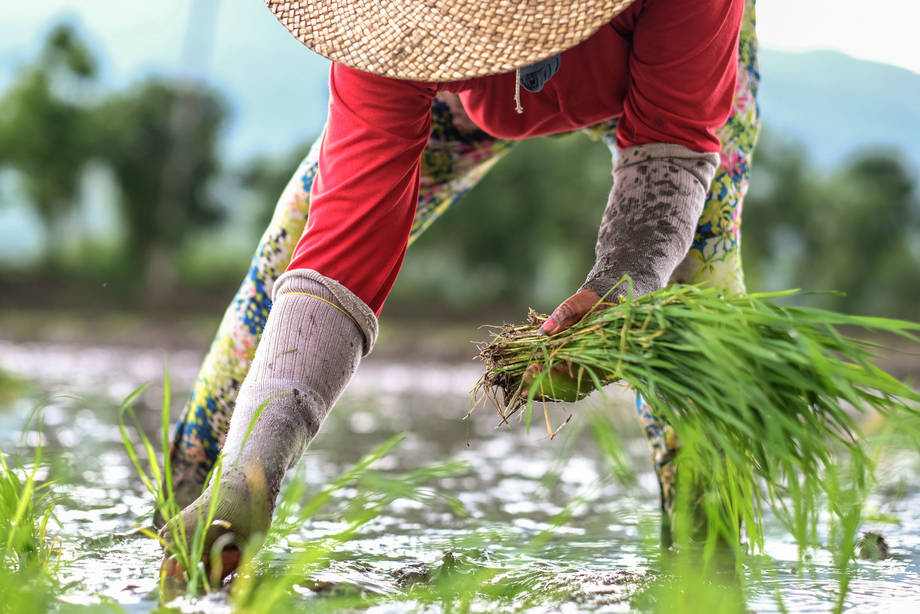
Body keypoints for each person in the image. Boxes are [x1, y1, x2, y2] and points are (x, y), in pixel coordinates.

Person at [160, 0, 761, 577]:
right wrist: (251, 476)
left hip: (651, 88)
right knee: (284, 267)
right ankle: (196, 513)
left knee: (694, 308)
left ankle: (706, 568)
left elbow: (673, 142)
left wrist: (623, 283)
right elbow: (342, 249)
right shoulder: (387, 23)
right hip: (448, 94)